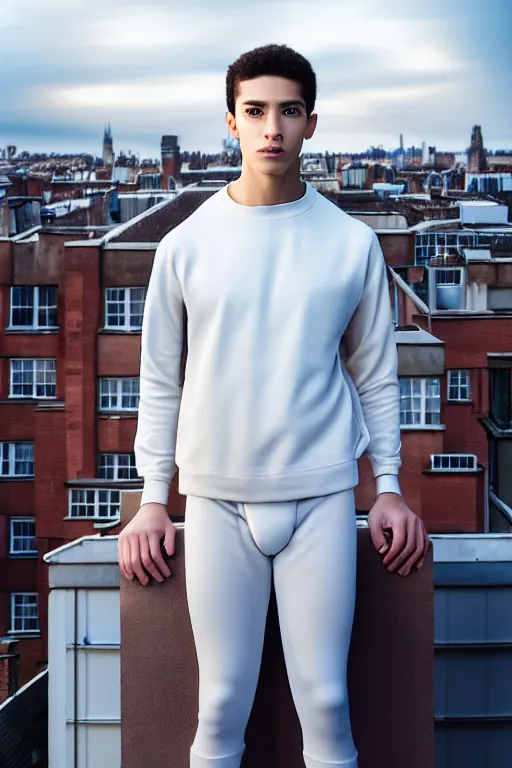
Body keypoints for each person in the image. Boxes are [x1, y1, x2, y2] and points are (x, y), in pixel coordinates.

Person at [118, 43, 430, 768]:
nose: (271, 128)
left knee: (325, 703)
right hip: (217, 499)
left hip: (320, 493)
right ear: (230, 122)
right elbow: (160, 380)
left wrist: (388, 491)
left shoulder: (352, 244)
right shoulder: (184, 246)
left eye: (288, 111)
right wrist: (153, 500)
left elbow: (377, 376)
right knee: (221, 706)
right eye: (255, 111)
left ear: (311, 122)